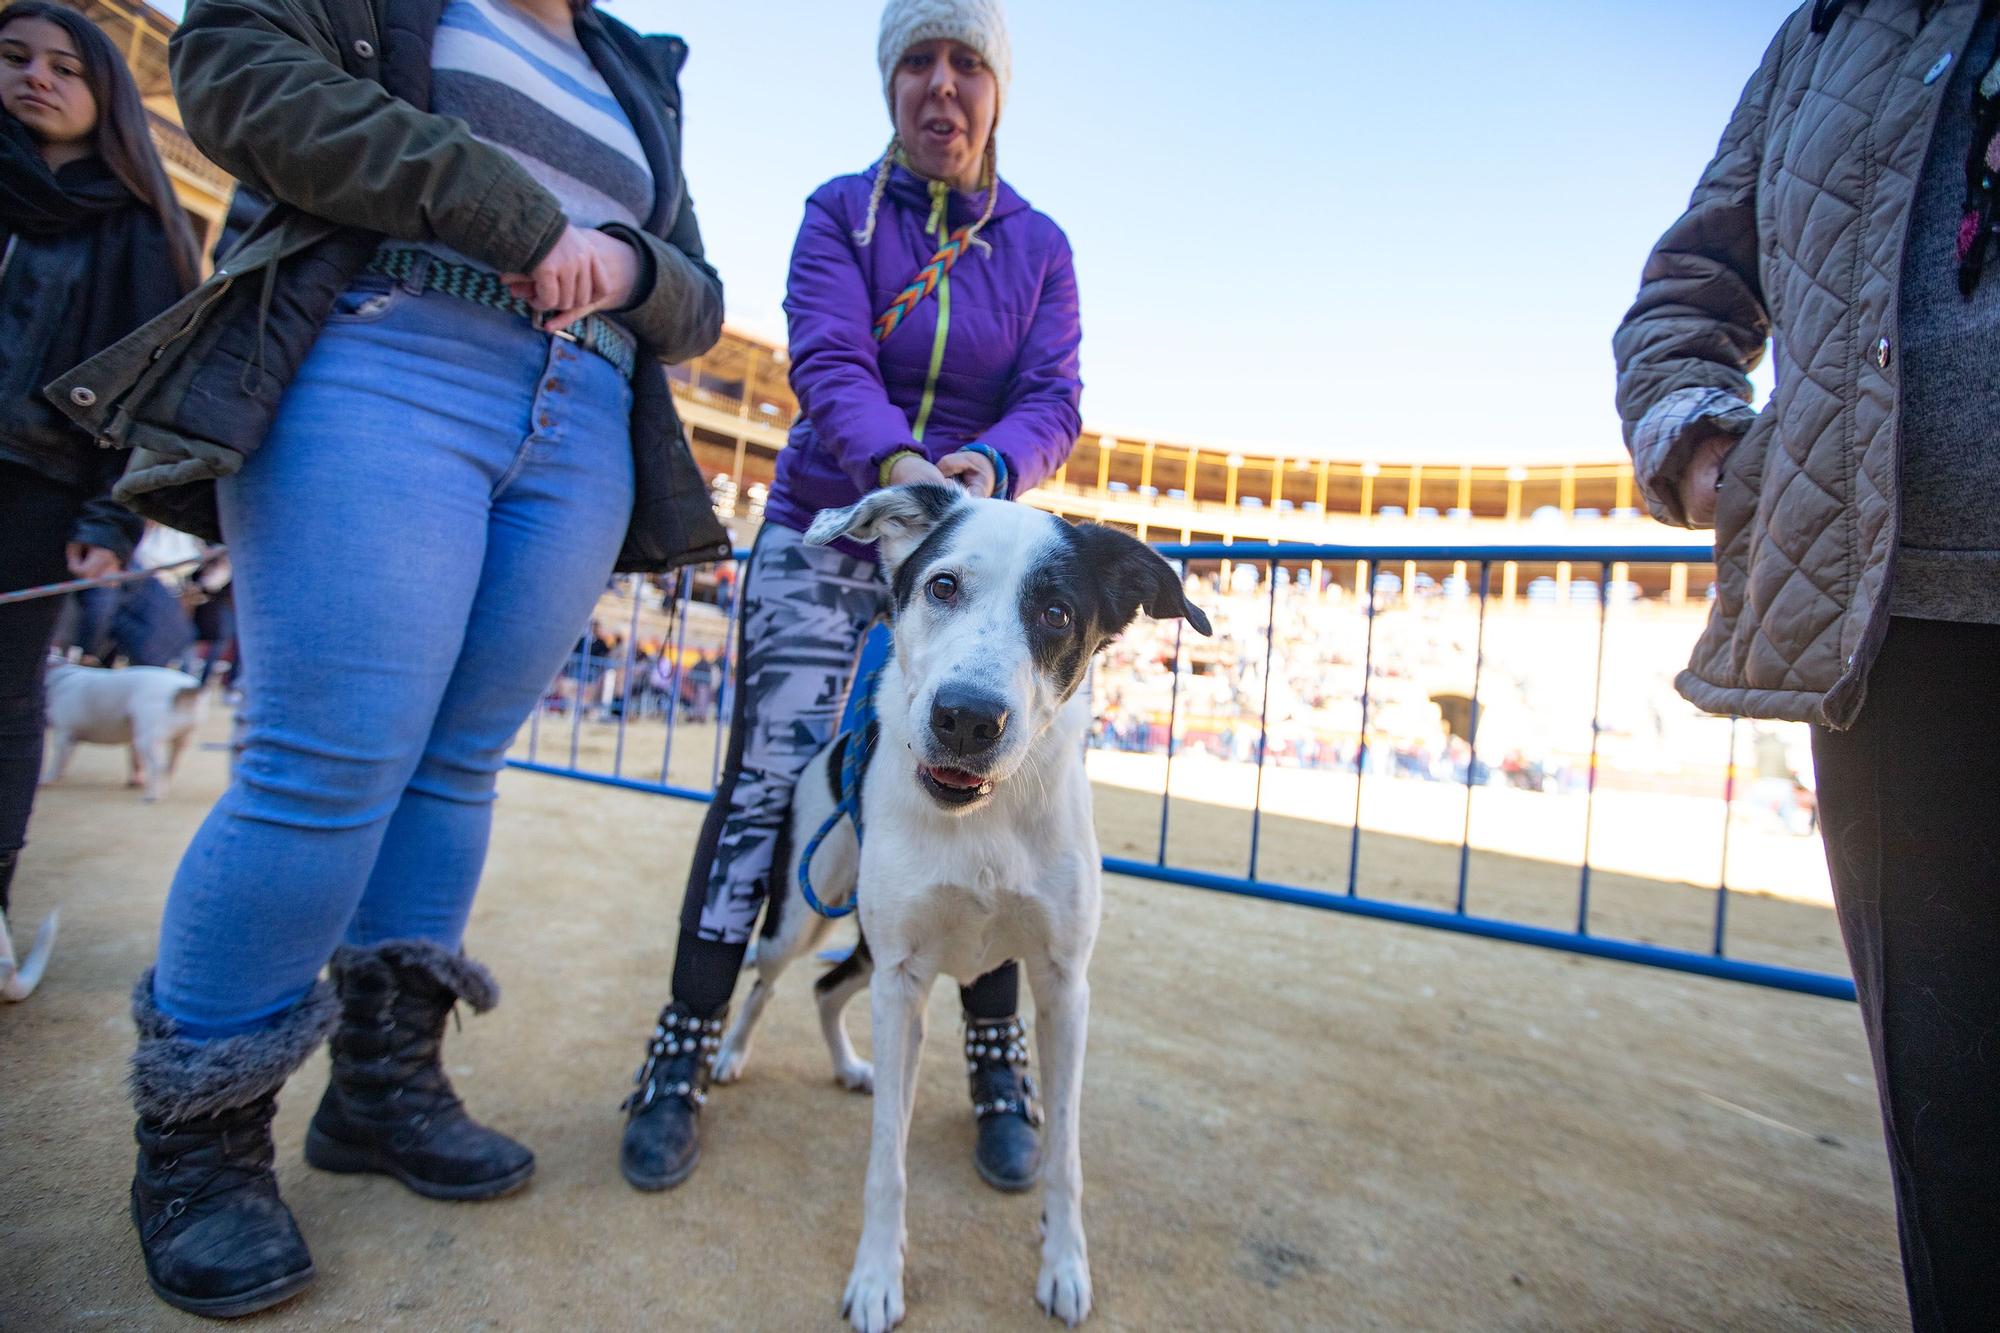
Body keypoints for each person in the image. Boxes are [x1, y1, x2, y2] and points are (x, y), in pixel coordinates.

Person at [53, 0, 727, 1315]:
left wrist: (629, 268)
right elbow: (237, 82)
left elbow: (696, 298)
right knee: (322, 766)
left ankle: (379, 1088)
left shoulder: (632, 64)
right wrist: (528, 223)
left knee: (456, 768)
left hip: (581, 411)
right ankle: (199, 1143)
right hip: (384, 350)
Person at [619, 0, 1083, 1198]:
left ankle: (991, 1056)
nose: (941, 86)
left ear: (997, 89)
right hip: (832, 533)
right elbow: (824, 358)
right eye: (917, 61)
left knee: (976, 792)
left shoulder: (1039, 245)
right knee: (765, 780)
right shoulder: (839, 211)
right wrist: (898, 473)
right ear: (889, 83)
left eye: (965, 63)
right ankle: (682, 1041)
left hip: (968, 548)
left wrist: (986, 472)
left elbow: (1054, 397)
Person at [1614, 4, 2000, 1327]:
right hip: (1905, 626)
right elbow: (1687, 284)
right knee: (1961, 1136)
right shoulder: (1829, 33)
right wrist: (1719, 457)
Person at [0, 2, 196, 979]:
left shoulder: (138, 226)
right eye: (15, 58)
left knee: (4, 693)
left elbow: (145, 384)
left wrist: (109, 514)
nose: (36, 77)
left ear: (106, 91)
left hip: (37, 481)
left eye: (65, 67)